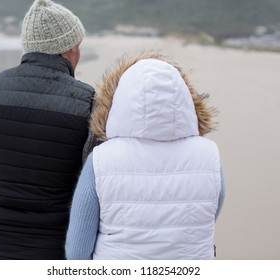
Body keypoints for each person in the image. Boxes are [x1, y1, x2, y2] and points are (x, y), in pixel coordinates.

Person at [0, 0, 96, 260]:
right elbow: (93, 191)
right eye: (78, 45)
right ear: (68, 49)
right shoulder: (88, 103)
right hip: (55, 251)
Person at [65, 52, 226, 260]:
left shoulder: (101, 160)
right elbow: (209, 215)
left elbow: (77, 251)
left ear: (117, 99)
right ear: (186, 98)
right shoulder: (209, 155)